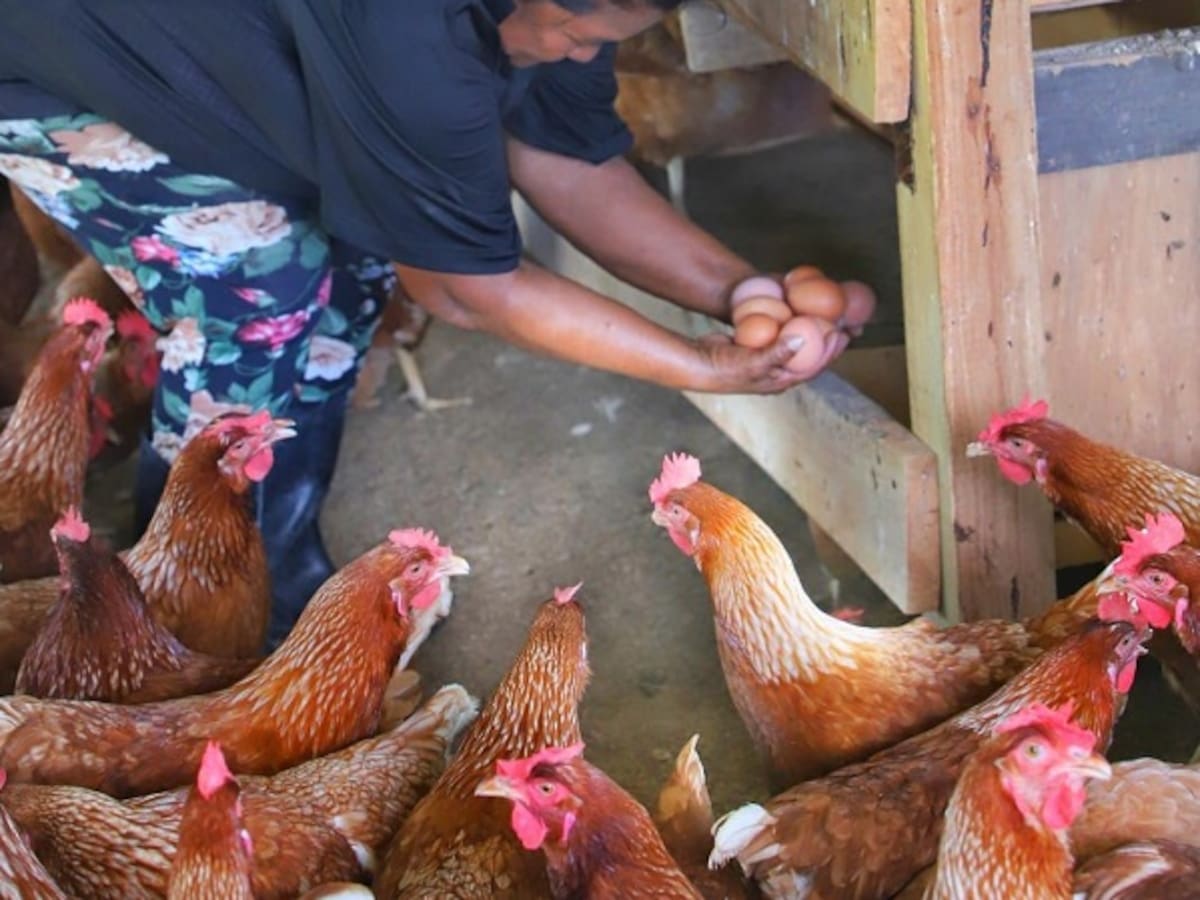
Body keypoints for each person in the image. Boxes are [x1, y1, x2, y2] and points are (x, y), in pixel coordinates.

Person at [0, 0, 856, 645]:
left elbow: (564, 156)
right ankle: (179, 594)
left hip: (225, 36)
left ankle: (274, 552)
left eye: (610, 35)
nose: (588, 51)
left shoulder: (547, 12)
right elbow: (464, 288)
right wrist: (702, 366)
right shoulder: (412, 34)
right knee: (255, 282)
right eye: (575, 26)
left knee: (363, 239)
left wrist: (737, 292)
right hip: (50, 51)